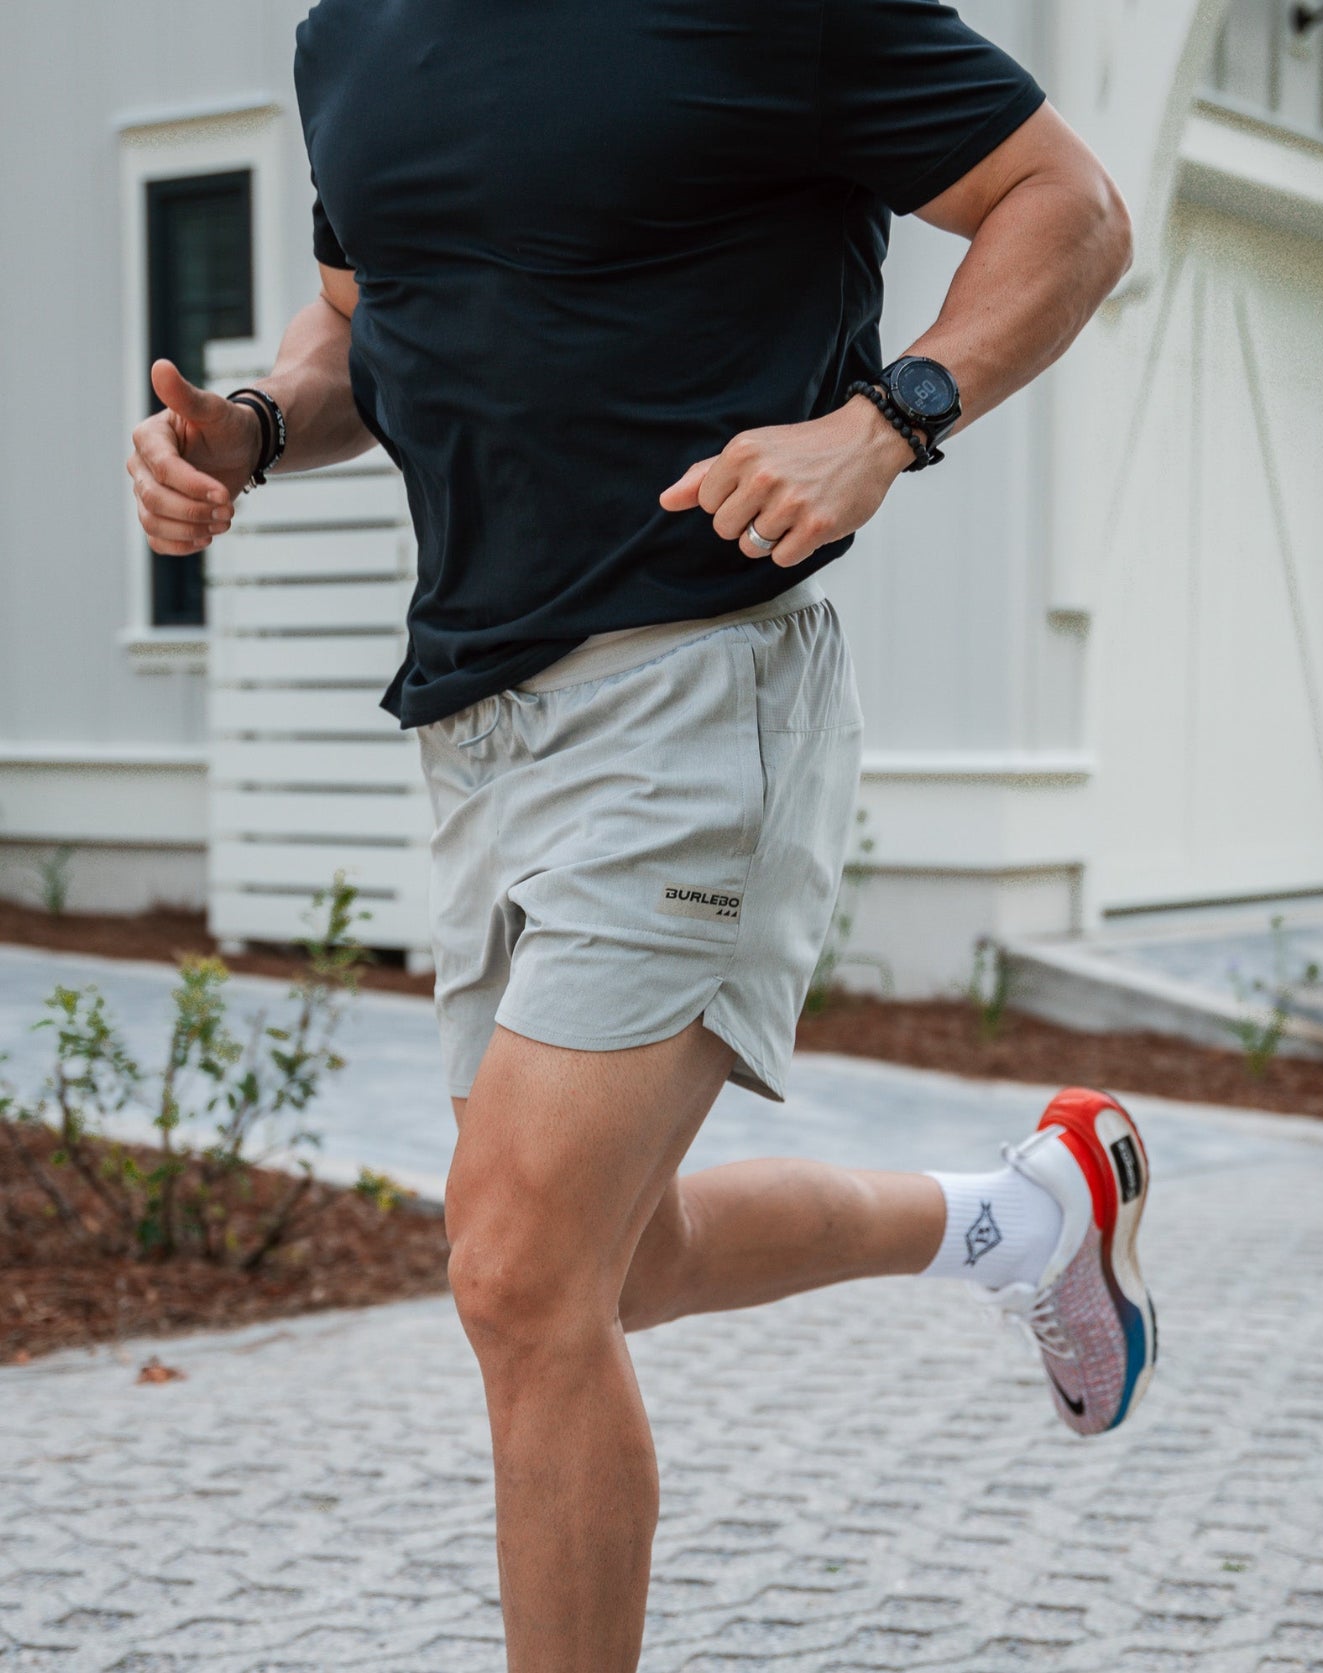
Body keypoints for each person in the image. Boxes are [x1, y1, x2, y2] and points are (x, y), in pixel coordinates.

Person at [126, 4, 1153, 1667]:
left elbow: (1069, 204)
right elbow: (363, 337)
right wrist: (246, 427)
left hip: (694, 688)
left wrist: (882, 423)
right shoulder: (350, 37)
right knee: (611, 1264)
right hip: (478, 721)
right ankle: (1026, 1215)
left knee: (525, 1281)